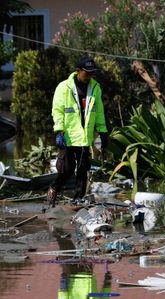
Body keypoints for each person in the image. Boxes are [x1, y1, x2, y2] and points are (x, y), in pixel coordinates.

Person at [47, 56, 109, 207]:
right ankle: (54, 188)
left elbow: (99, 111)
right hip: (68, 136)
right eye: (87, 73)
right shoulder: (64, 87)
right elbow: (58, 110)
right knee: (67, 170)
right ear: (78, 71)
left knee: (83, 169)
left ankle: (78, 198)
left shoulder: (95, 88)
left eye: (92, 73)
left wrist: (103, 131)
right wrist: (59, 130)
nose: (89, 76)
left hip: (85, 136)